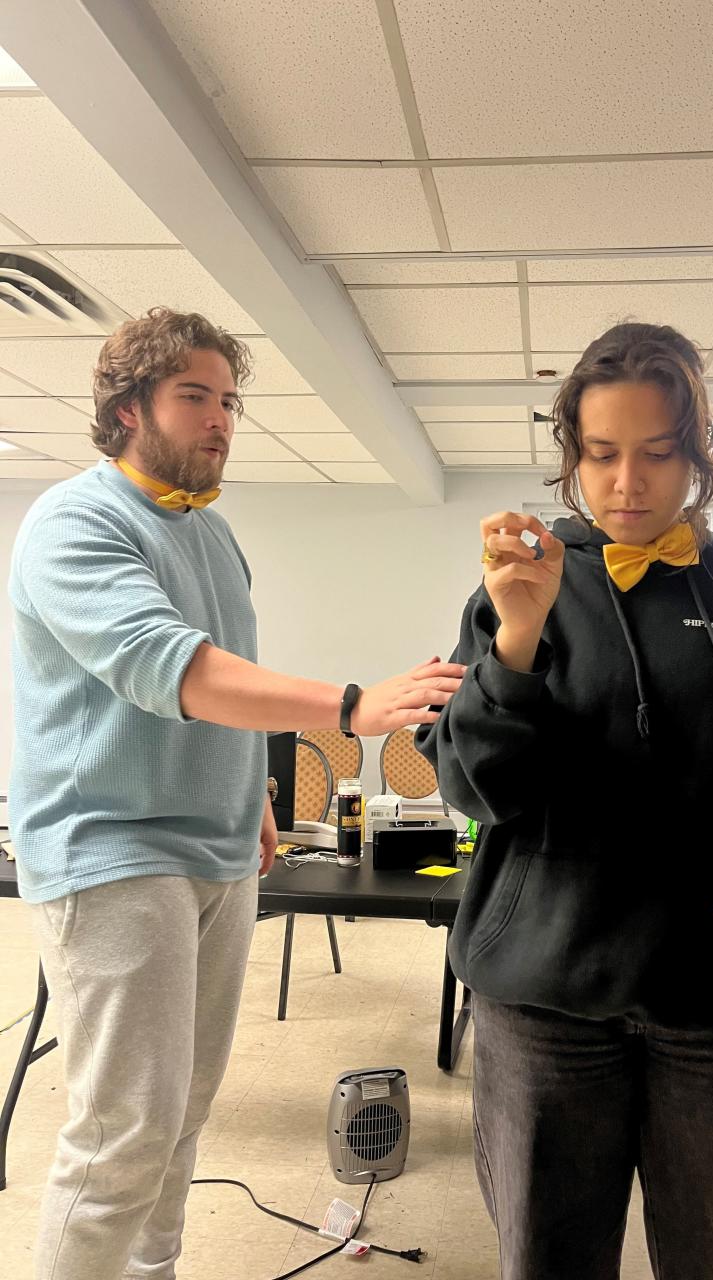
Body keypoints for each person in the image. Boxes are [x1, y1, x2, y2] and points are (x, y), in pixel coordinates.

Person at [417, 322, 713, 1280]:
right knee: (546, 1261)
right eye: (601, 455)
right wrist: (514, 641)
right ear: (572, 460)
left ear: (698, 459)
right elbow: (475, 787)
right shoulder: (521, 588)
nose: (626, 482)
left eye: (656, 453)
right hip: (545, 1004)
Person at [7, 307, 465, 1280]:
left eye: (229, 401)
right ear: (128, 407)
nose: (220, 419)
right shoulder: (74, 520)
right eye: (195, 397)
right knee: (123, 1130)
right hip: (113, 851)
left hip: (215, 850)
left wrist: (249, 793)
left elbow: (228, 678)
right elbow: (163, 665)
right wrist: (352, 702)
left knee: (180, 1116)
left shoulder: (211, 536)